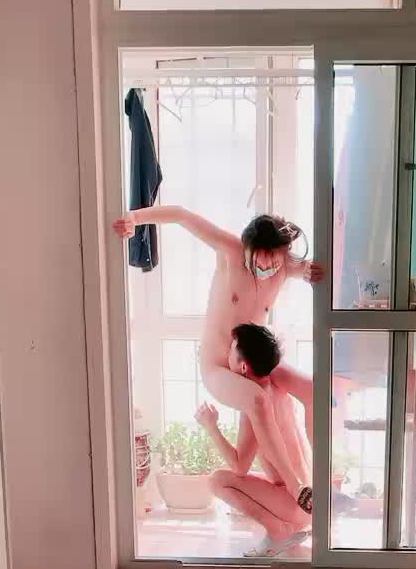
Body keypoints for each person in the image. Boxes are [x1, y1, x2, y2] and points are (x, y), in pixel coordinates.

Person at [113, 207, 321, 512]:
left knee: (311, 389)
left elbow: (312, 268)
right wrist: (134, 218)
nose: (265, 267)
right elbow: (182, 216)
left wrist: (310, 272)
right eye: (258, 260)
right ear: (247, 249)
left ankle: (322, 469)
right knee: (259, 398)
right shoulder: (231, 251)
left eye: (273, 261)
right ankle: (295, 485)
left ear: (283, 253)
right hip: (218, 367)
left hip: (253, 364)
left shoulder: (286, 266)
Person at [195, 323, 312, 558]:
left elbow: (240, 467)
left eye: (232, 348)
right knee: (260, 480)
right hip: (306, 494)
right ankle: (286, 525)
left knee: (218, 481)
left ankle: (277, 529)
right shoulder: (277, 385)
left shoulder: (253, 403)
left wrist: (211, 427)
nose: (227, 353)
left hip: (293, 505)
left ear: (243, 366)